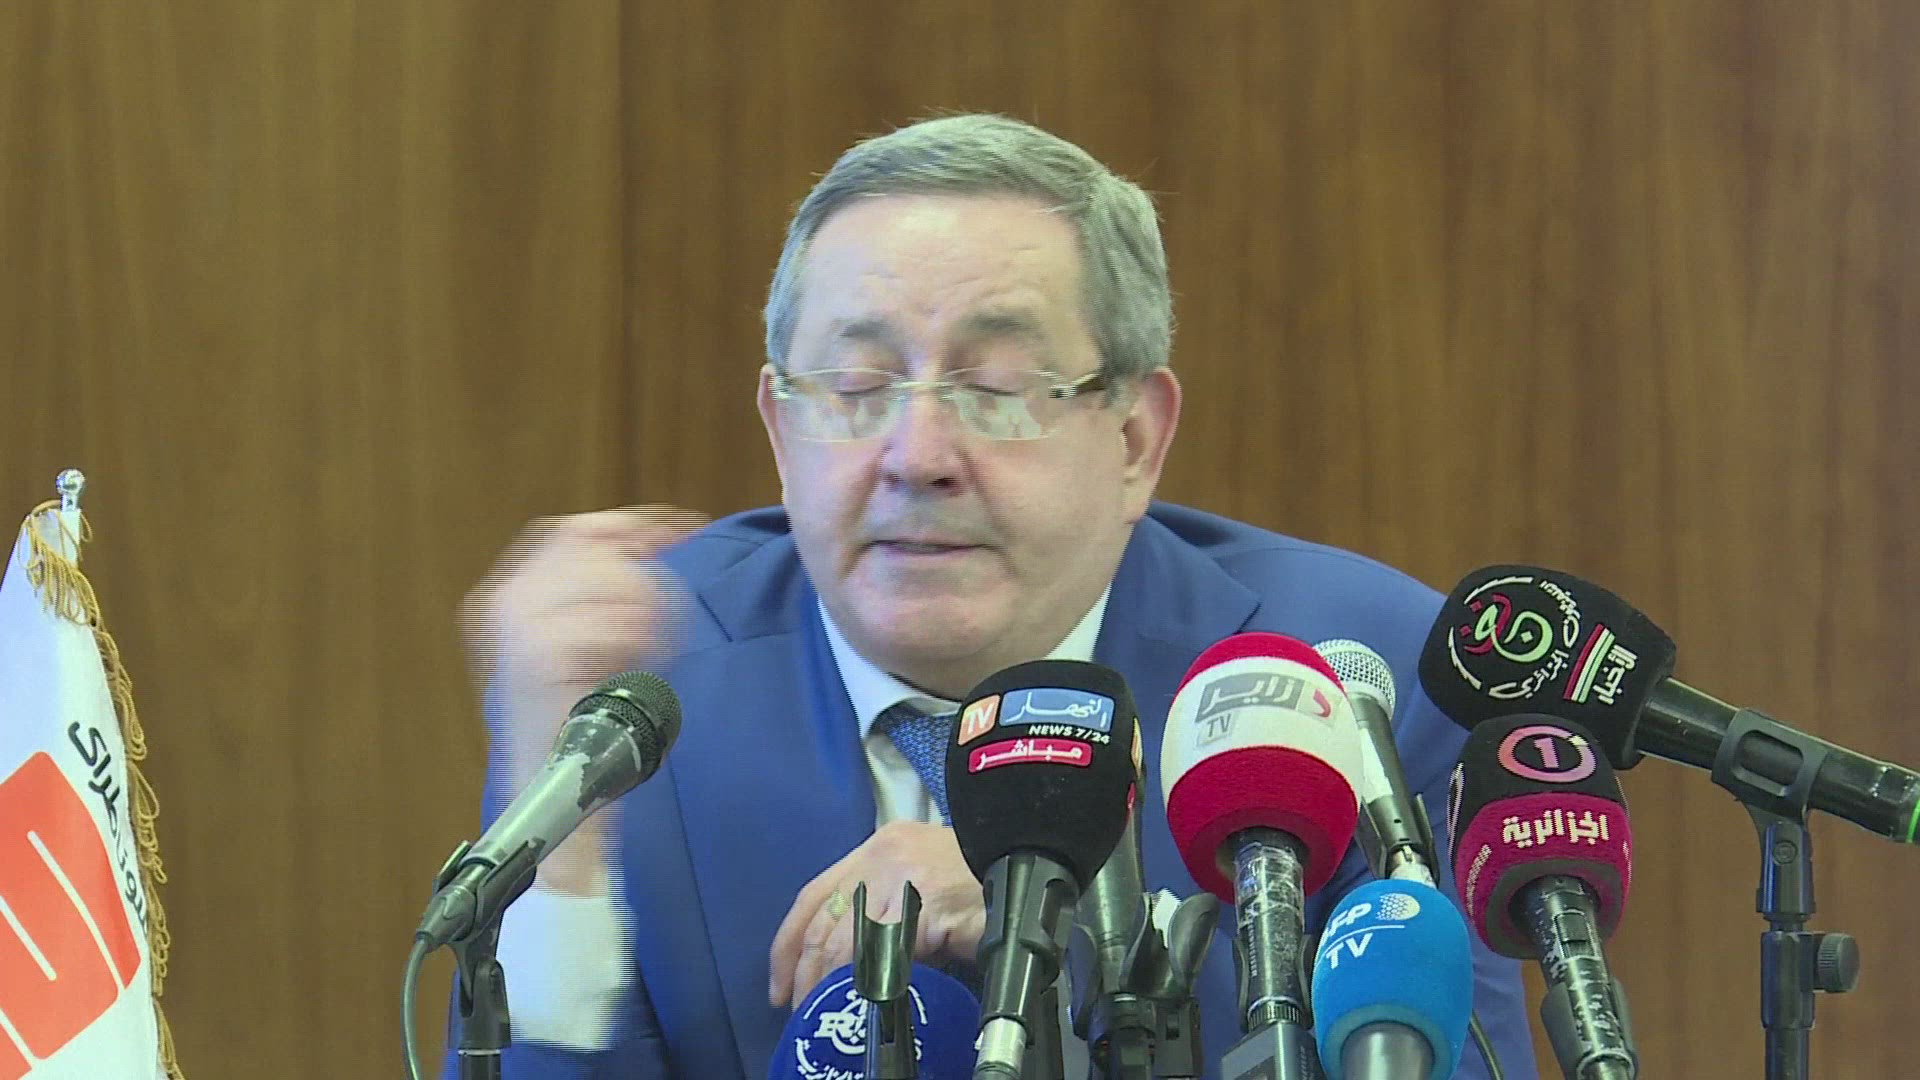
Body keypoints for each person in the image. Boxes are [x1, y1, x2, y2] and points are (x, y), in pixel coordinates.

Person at [452, 113, 1537, 1079]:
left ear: (1134, 439)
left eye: (997, 389)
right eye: (857, 388)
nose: (916, 456)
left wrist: (1073, 935)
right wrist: (560, 871)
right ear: (782, 434)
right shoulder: (636, 683)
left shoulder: (1356, 678)